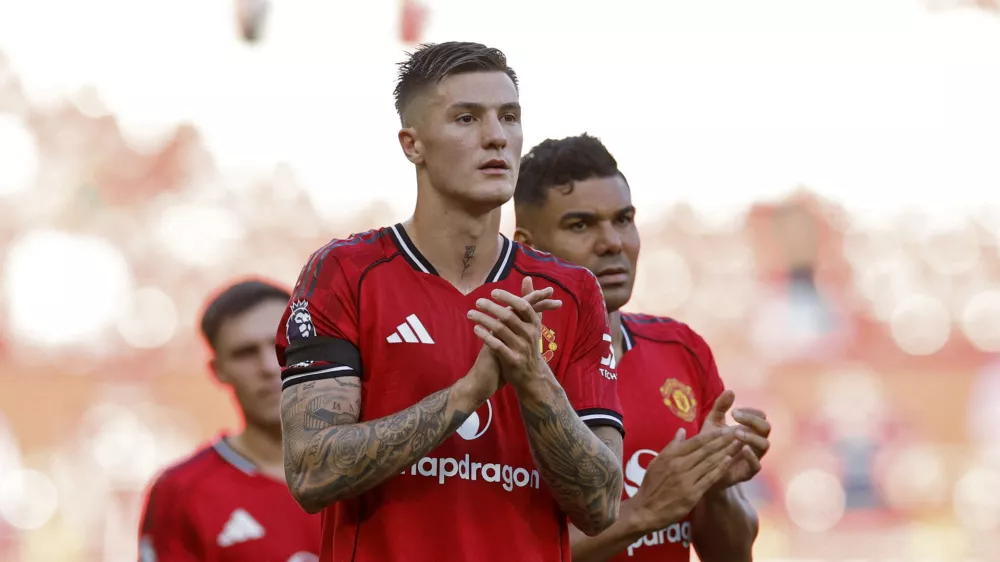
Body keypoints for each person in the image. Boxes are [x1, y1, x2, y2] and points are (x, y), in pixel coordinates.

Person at [275, 42, 688, 562]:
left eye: (509, 116)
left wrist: (534, 381)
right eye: (466, 118)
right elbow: (311, 470)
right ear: (413, 144)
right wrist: (466, 394)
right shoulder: (344, 273)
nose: (496, 135)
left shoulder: (570, 292)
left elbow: (601, 504)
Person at [513, 133, 770, 562]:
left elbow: (731, 554)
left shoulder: (681, 351)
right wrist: (644, 511)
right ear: (528, 246)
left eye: (623, 219)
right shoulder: (501, 369)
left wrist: (713, 484)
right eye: (581, 224)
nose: (613, 242)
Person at [138, 280, 320, 562]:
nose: (270, 367)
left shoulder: (378, 464)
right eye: (245, 353)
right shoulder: (181, 492)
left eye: (281, 345)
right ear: (218, 370)